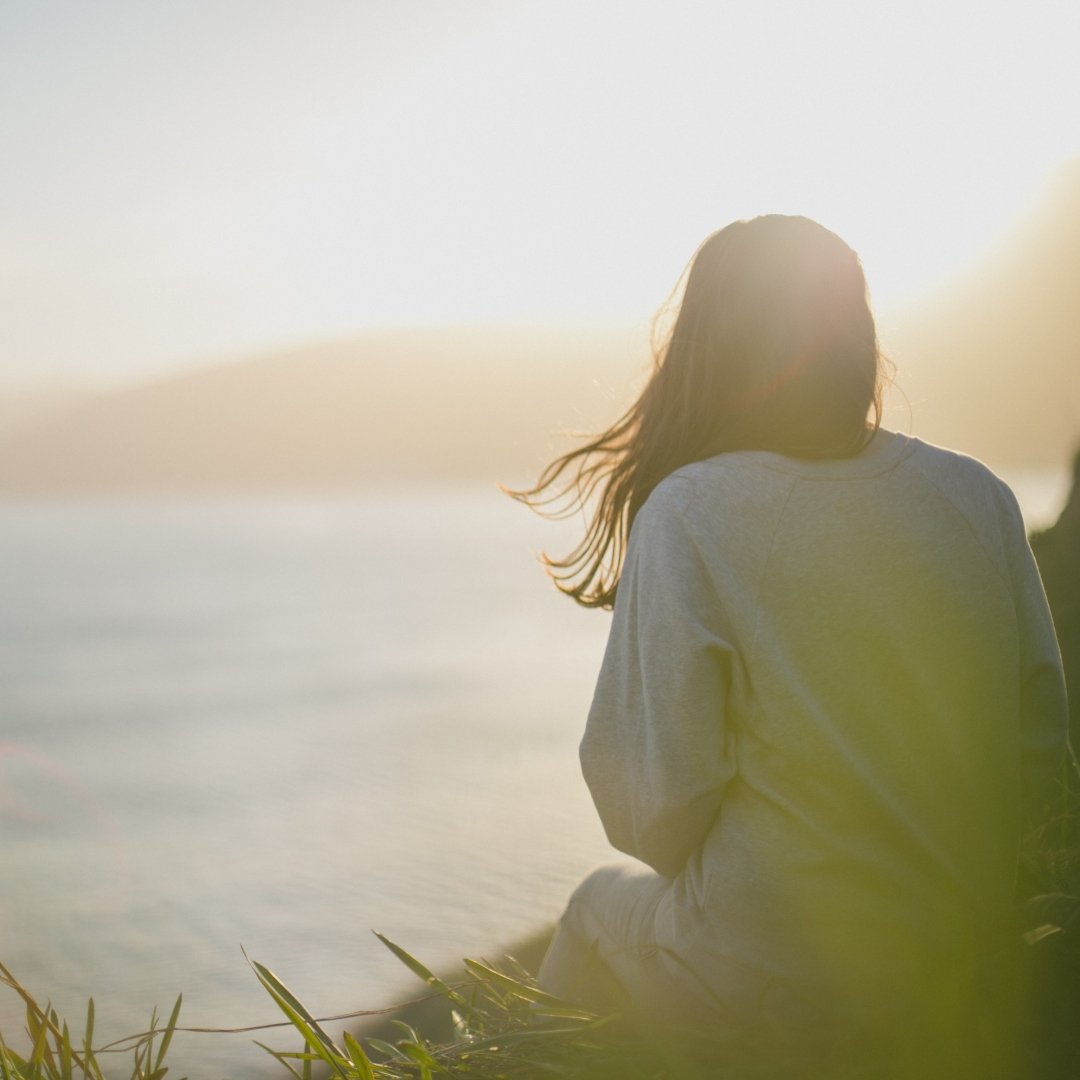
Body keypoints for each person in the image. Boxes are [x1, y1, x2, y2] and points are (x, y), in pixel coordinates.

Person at [513, 215, 1069, 1070]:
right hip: (964, 950)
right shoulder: (978, 496)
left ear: (705, 349)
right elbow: (1039, 753)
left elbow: (649, 813)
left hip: (781, 972)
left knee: (594, 908)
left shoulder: (693, 512)